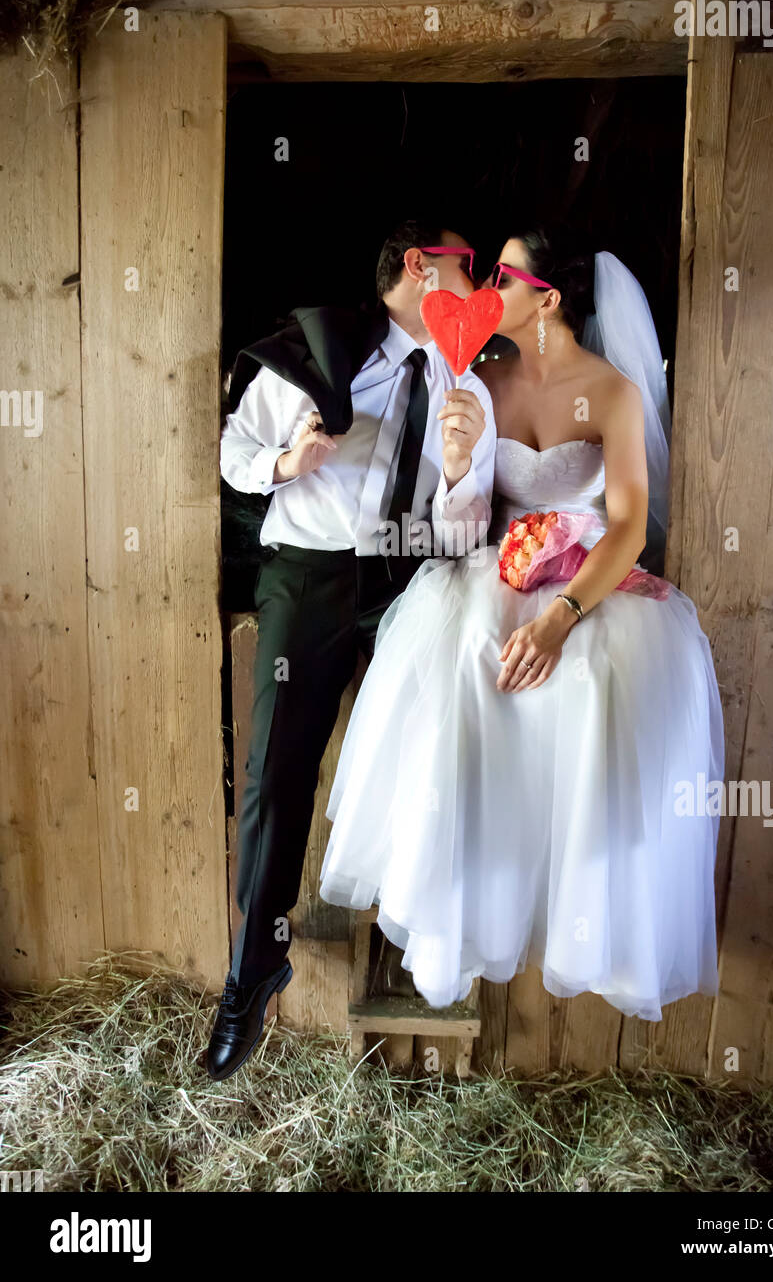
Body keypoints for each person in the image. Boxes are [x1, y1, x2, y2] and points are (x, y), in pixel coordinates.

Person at [319, 224, 725, 1020]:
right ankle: (458, 921)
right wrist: (465, 463)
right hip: (493, 569)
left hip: (589, 585)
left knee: (595, 687)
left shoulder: (614, 392)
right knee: (467, 666)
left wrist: (562, 620)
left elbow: (631, 528)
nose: (483, 292)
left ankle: (584, 928)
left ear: (550, 296)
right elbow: (464, 527)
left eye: (501, 278)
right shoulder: (482, 380)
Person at [209, 219, 497, 1079]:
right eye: (465, 267)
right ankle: (252, 971)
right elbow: (232, 453)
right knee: (276, 769)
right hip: (311, 576)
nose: (476, 284)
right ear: (419, 265)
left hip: (412, 579)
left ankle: (431, 950)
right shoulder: (312, 353)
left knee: (445, 749)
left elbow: (469, 526)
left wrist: (456, 467)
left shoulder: (468, 378)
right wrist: (289, 464)